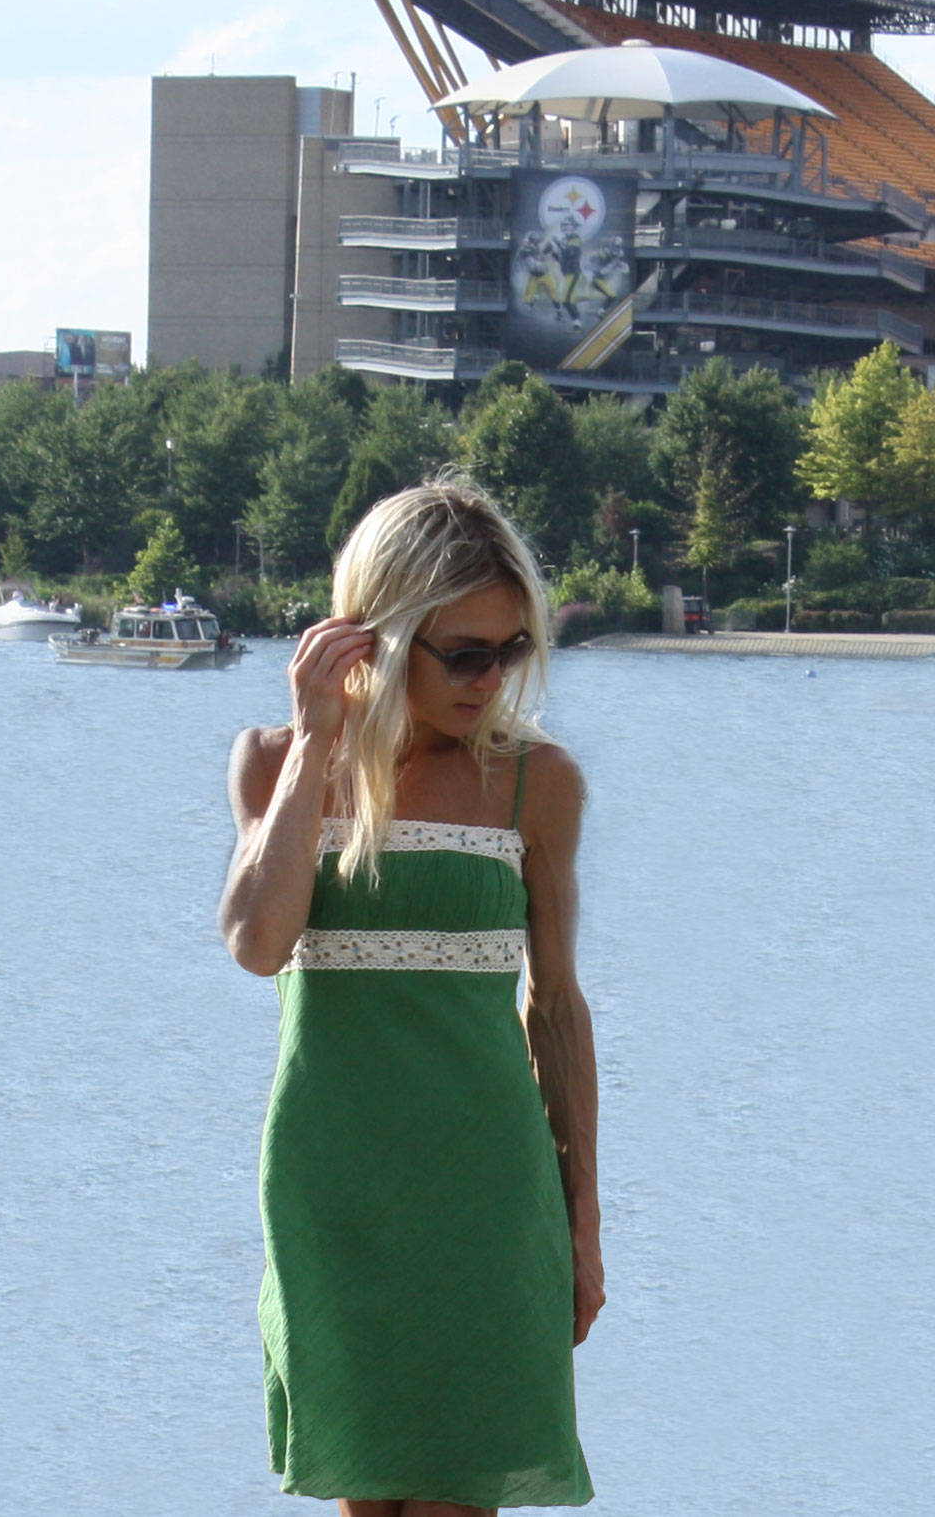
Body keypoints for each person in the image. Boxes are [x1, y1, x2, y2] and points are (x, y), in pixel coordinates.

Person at [219, 477, 603, 1516]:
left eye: (512, 649)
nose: (493, 678)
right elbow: (258, 945)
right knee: (360, 1494)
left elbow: (556, 1008)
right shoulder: (272, 763)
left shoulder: (536, 781)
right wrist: (313, 739)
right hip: (332, 1190)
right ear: (377, 635)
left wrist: (584, 1219)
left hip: (487, 1195)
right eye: (466, 652)